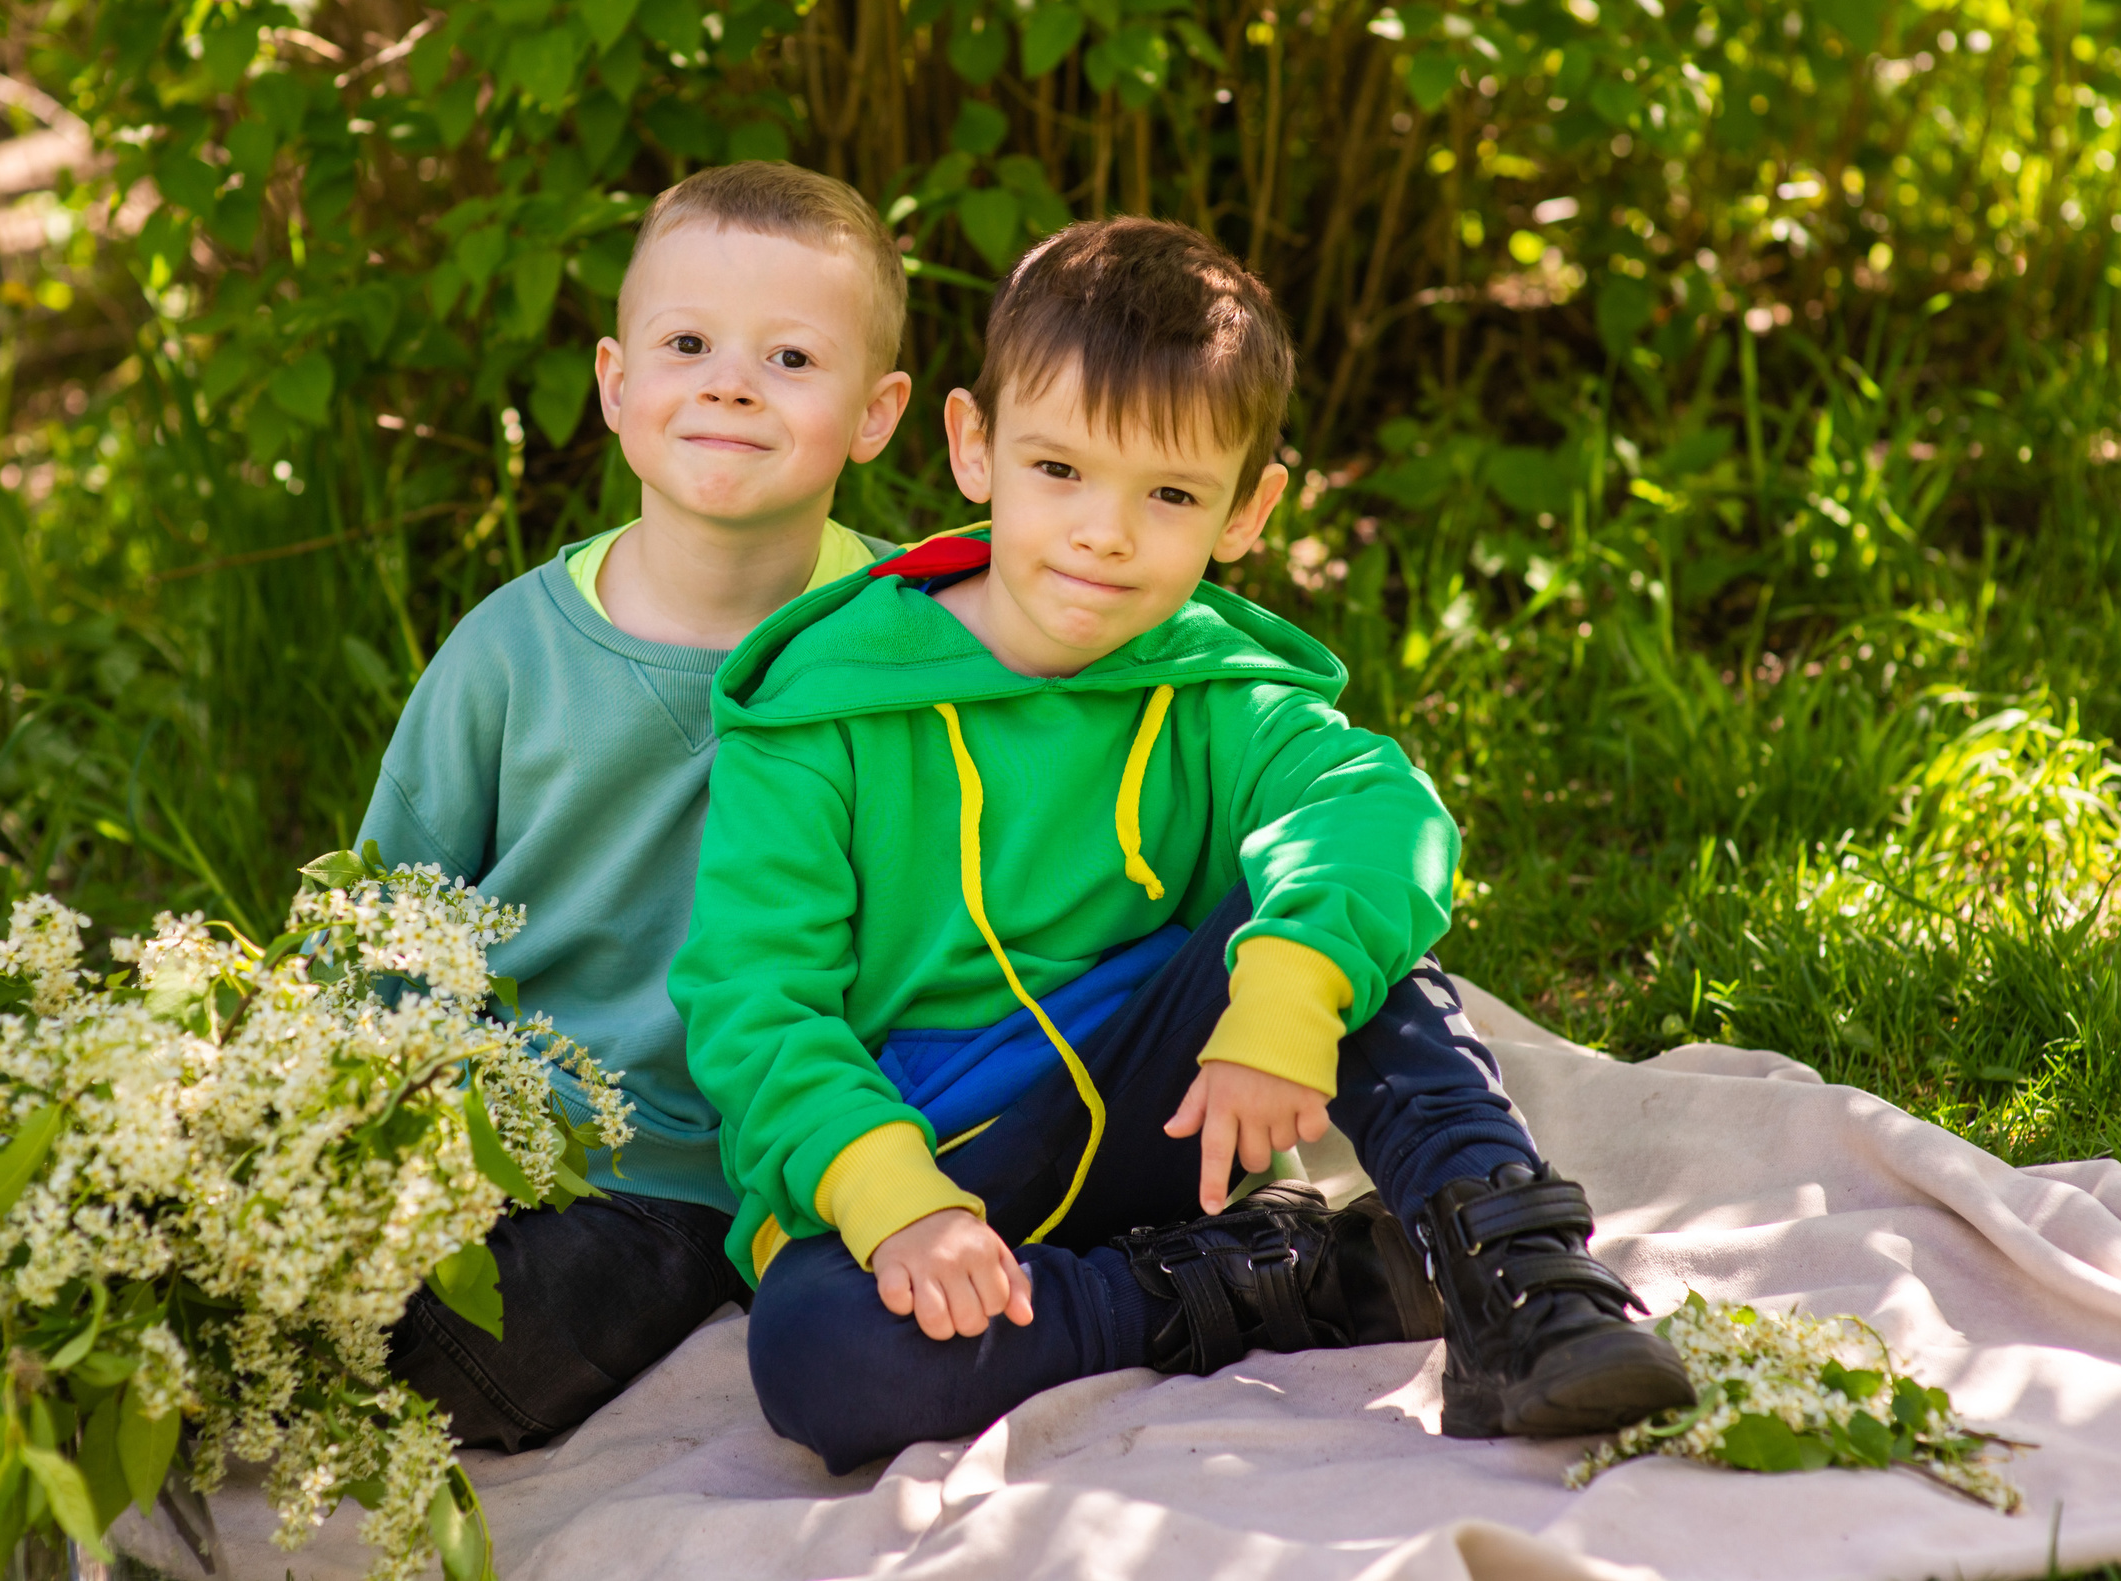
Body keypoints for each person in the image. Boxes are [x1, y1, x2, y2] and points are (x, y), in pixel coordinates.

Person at [672, 217, 1692, 1474]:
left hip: (1170, 1115)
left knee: (1341, 926)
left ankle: (1516, 1277)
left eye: (1167, 493)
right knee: (819, 1350)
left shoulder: (1210, 683)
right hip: (940, 1162)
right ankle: (1286, 1283)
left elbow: (1375, 807)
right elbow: (752, 999)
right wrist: (897, 1205)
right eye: (1059, 471)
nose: (1104, 533)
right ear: (972, 444)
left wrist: (1286, 991)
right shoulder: (822, 710)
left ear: (1247, 508)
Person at [359, 161, 914, 1448]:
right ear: (616, 384)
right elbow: (386, 923)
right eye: (687, 344)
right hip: (504, 1133)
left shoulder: (910, 642)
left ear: (876, 413)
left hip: (717, 1168)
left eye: (788, 356)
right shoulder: (510, 653)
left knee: (470, 1361)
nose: (728, 382)